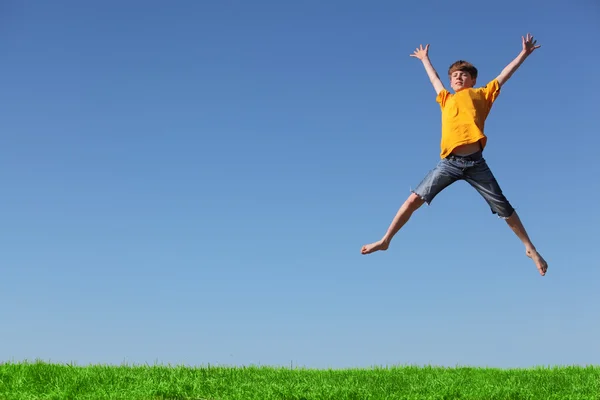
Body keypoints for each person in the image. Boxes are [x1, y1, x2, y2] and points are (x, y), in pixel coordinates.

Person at [361, 33, 548, 276]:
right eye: (455, 75)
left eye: (464, 75)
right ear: (451, 81)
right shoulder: (445, 99)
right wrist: (424, 59)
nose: (458, 77)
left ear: (473, 79)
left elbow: (504, 75)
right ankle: (385, 240)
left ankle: (530, 247)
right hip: (449, 163)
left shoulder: (482, 94)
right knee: (412, 200)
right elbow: (434, 79)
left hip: (476, 163)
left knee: (504, 207)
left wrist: (523, 54)